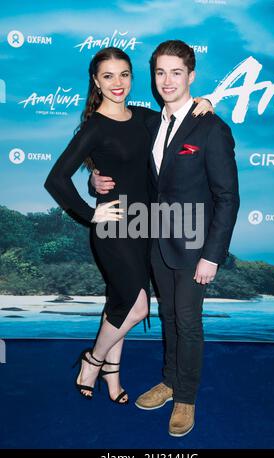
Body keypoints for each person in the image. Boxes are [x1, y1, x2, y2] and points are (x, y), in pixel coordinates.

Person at [44, 47, 213, 405]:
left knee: (119, 303)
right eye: (108, 76)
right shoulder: (94, 127)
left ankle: (112, 378)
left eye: (124, 74)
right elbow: (56, 179)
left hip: (144, 227)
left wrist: (206, 102)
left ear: (132, 78)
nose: (117, 83)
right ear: (96, 82)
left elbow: (179, 117)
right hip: (113, 228)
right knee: (137, 308)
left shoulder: (144, 118)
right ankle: (92, 361)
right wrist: (90, 213)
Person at [91, 40, 240, 436]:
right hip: (156, 240)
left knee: (188, 323)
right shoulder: (149, 121)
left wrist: (213, 256)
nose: (167, 80)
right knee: (169, 318)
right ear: (153, 78)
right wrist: (94, 177)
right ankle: (170, 381)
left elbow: (227, 198)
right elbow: (111, 140)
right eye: (160, 72)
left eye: (177, 72)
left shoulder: (212, 128)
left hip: (195, 246)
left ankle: (186, 399)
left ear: (191, 76)